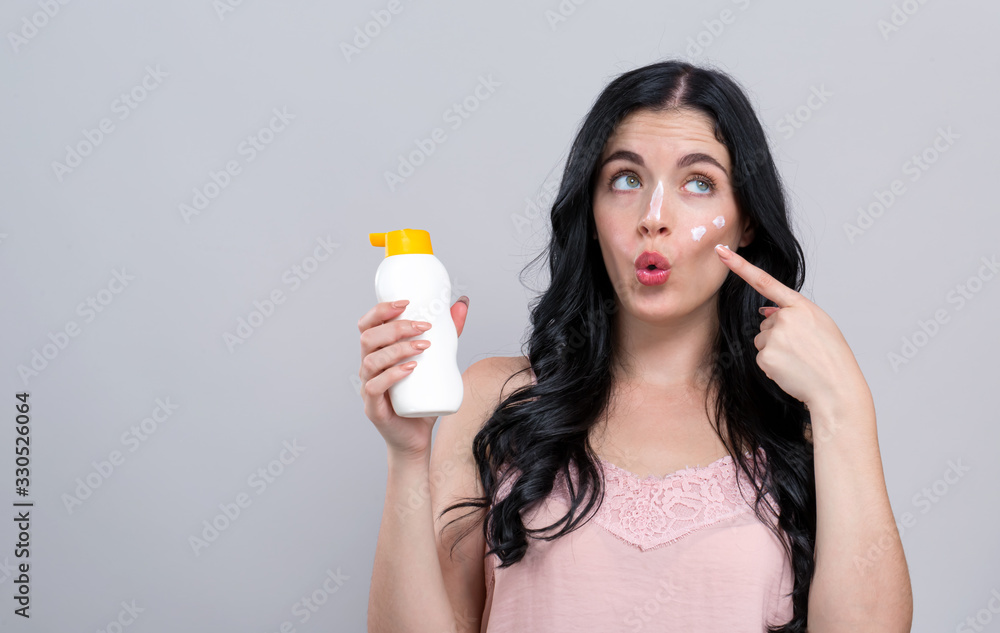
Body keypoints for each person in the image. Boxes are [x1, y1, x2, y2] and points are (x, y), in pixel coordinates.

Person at [359, 59, 912, 633]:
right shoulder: (495, 400)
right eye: (626, 179)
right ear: (592, 213)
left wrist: (846, 405)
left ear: (746, 222)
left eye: (699, 183)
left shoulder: (800, 429)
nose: (655, 218)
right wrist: (406, 456)